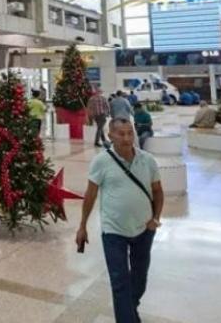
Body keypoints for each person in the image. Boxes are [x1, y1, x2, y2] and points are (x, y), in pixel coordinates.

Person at [77, 119, 164, 323]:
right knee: (120, 283)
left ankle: (130, 311)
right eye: (120, 134)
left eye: (129, 133)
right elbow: (90, 195)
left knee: (139, 281)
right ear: (110, 136)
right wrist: (82, 226)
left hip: (144, 229)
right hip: (113, 231)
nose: (126, 138)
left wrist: (155, 219)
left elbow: (158, 191)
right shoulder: (101, 161)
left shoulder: (148, 160)